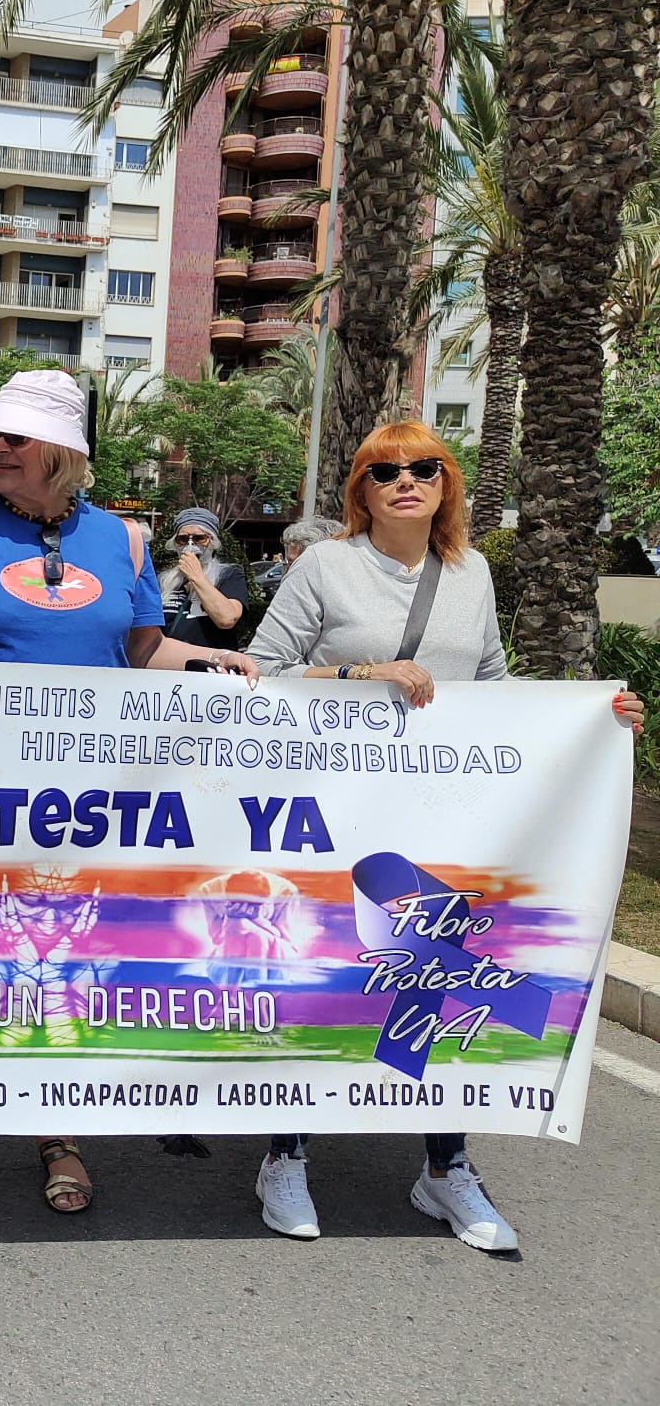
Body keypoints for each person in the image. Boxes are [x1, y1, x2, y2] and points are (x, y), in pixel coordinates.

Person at [0, 369, 260, 1234]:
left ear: (64, 453)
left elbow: (143, 648)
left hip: (84, 800)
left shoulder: (126, 542)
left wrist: (218, 665)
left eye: (16, 438)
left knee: (59, 963)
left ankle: (54, 1127)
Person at [245, 420, 644, 1251]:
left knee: (435, 970)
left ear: (446, 483)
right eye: (384, 470)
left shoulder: (471, 573)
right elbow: (261, 671)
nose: (405, 480)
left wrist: (595, 722)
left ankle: (445, 1167)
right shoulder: (326, 565)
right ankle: (286, 1154)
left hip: (446, 810)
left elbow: (495, 685)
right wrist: (360, 674)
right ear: (360, 489)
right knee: (325, 972)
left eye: (424, 467)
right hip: (337, 806)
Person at [160, 506, 248, 650]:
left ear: (212, 542)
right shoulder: (164, 581)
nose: (190, 545)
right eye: (182, 539)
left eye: (199, 538)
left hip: (211, 666)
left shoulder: (229, 575)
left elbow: (227, 618)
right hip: (171, 665)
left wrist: (196, 577)